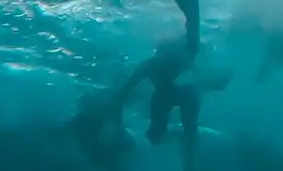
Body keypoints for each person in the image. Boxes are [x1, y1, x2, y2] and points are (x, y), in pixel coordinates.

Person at [69, 39, 231, 171]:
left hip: (183, 95)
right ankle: (170, 141)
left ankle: (189, 160)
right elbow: (128, 86)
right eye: (162, 54)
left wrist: (218, 81)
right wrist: (113, 102)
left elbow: (203, 78)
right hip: (163, 97)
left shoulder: (179, 62)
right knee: (155, 134)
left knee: (189, 128)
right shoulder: (151, 64)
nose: (163, 58)